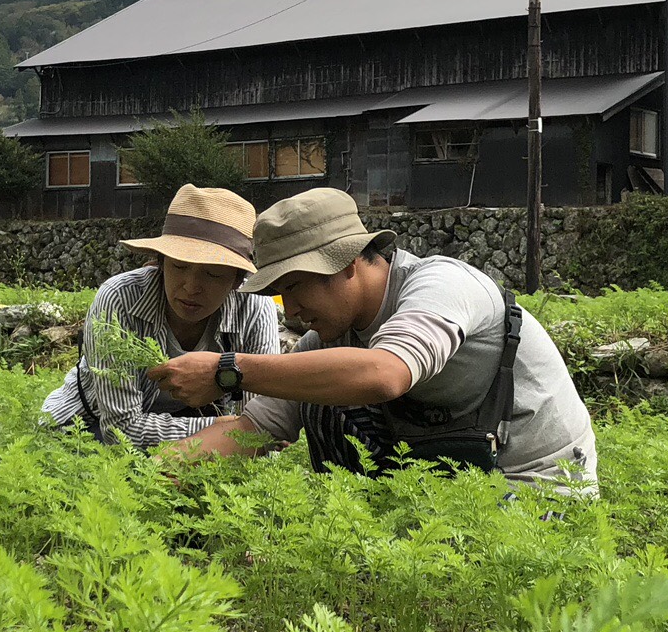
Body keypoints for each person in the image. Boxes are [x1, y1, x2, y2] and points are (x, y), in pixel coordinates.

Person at [147, 187, 596, 485]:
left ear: (345, 263)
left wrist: (229, 370)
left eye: (295, 286)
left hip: (537, 478)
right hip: (456, 477)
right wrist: (145, 475)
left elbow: (385, 374)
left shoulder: (442, 285)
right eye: (279, 293)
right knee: (315, 397)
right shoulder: (330, 338)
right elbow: (253, 427)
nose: (290, 309)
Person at [42, 184, 280, 448]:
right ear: (160, 262)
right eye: (179, 266)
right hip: (87, 425)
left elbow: (263, 418)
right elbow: (120, 430)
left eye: (213, 274)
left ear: (237, 279)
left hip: (195, 423)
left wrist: (245, 431)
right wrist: (222, 429)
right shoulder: (120, 298)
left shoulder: (255, 307)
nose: (191, 287)